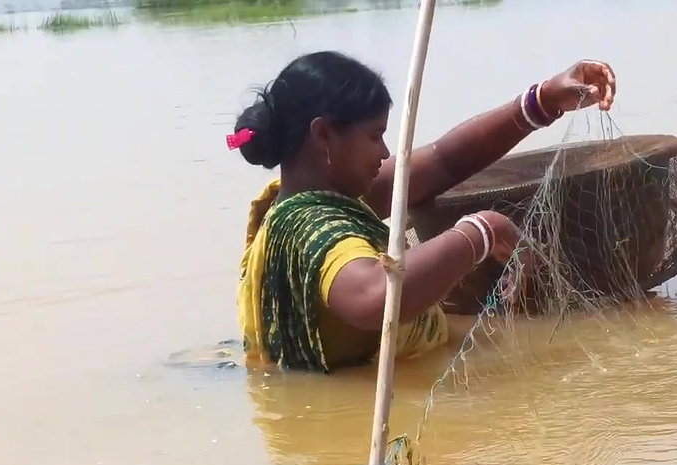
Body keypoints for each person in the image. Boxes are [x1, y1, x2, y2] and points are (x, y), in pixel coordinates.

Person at [231, 50, 618, 373]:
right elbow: (374, 297)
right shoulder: (317, 230)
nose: (384, 153)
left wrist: (544, 100)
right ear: (324, 135)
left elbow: (445, 160)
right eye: (374, 136)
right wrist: (481, 231)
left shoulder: (312, 198)